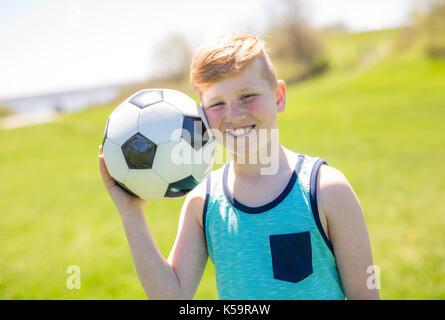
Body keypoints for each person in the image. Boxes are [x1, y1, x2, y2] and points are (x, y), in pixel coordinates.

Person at [98, 34, 379, 300]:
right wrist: (131, 213)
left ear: (278, 95)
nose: (233, 115)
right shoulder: (203, 202)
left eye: (247, 96)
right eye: (217, 103)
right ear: (201, 114)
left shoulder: (326, 190)